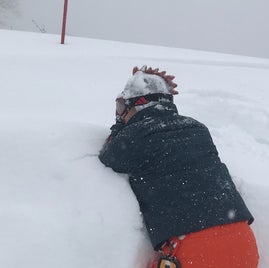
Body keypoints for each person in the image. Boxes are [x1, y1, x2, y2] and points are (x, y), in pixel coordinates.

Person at [99, 66, 259, 268]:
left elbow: (107, 157)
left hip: (192, 253)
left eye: (123, 107)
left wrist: (119, 125)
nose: (121, 114)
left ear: (138, 104)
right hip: (243, 243)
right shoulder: (198, 128)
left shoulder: (135, 135)